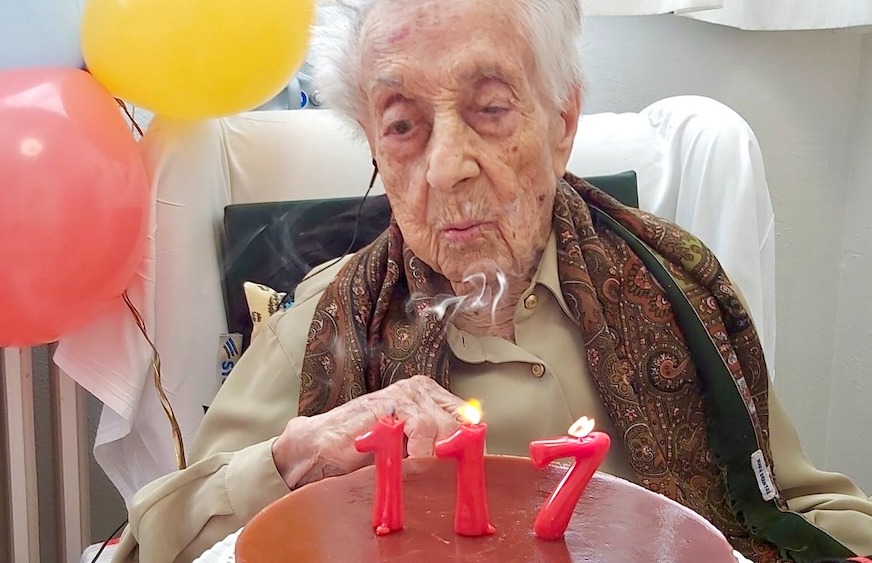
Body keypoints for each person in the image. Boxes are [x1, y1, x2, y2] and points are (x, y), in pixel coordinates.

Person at [112, 1, 872, 561]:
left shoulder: (677, 290)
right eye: (404, 125)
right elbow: (154, 542)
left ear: (562, 121)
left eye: (490, 109)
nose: (446, 167)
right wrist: (295, 455)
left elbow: (796, 508)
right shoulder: (325, 321)